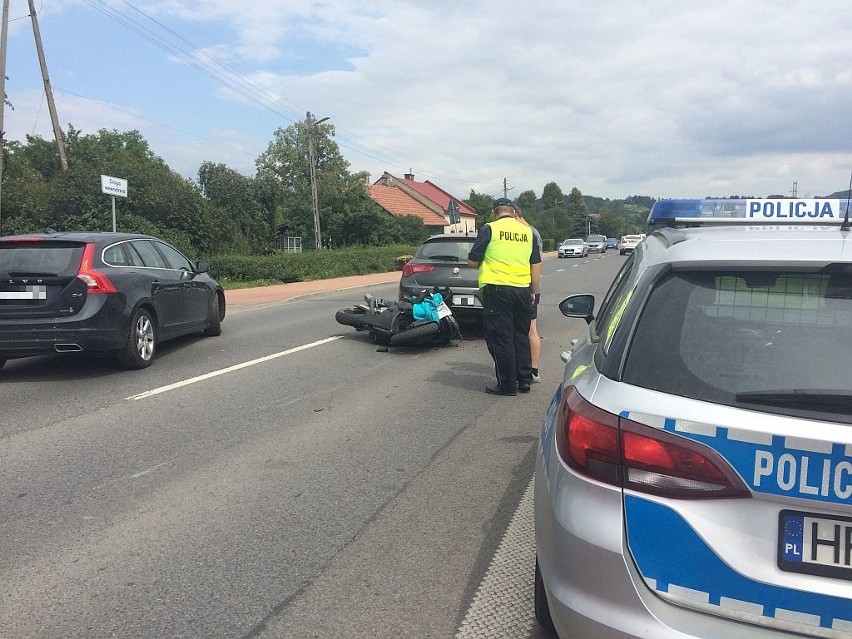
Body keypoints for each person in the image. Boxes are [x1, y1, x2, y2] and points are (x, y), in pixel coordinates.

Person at [467, 198, 542, 396]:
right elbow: (536, 263)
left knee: (501, 338)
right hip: (522, 291)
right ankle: (524, 379)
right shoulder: (528, 232)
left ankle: (507, 385)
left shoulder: (489, 229)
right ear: (514, 212)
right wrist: (532, 290)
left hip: (498, 291)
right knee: (520, 335)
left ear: (495, 212)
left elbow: (473, 262)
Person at [515, 211, 542, 383]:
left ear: (515, 214)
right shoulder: (534, 232)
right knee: (530, 328)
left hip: (524, 286)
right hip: (532, 286)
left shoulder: (524, 232)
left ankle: (527, 369)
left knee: (525, 330)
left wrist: (532, 288)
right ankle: (533, 369)